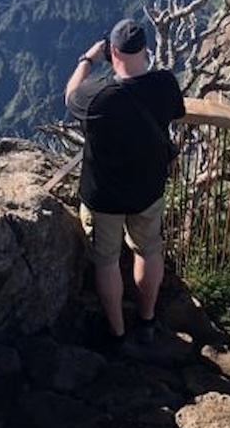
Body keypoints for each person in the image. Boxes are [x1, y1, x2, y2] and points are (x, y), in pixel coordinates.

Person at [65, 18, 185, 348]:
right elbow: (175, 113)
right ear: (145, 50)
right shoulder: (164, 83)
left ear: (113, 52)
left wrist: (87, 59)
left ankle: (117, 331)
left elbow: (70, 95)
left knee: (106, 260)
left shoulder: (98, 95)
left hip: (103, 196)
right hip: (147, 189)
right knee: (148, 249)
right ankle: (147, 319)